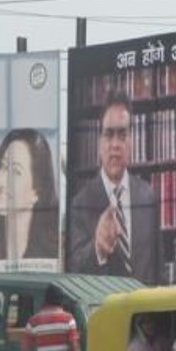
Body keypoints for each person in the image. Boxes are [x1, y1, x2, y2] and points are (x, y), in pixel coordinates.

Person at [67, 93, 159, 284]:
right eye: (108, 134)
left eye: (122, 135)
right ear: (99, 143)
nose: (115, 145)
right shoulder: (80, 203)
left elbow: (158, 271)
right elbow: (73, 272)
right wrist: (98, 248)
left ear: (132, 141)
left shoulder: (148, 196)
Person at [0, 129, 59, 263]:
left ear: (36, 192)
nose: (2, 181)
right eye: (3, 166)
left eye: (15, 171)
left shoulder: (52, 254)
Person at [21, 284, 83, 351]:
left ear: (45, 300)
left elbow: (25, 348)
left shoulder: (33, 321)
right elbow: (74, 347)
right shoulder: (68, 319)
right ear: (61, 301)